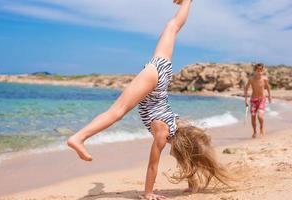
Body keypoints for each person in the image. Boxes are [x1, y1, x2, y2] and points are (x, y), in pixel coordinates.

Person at [67, 0, 230, 199]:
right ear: (178, 147)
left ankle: (187, 1)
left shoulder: (175, 125)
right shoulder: (162, 133)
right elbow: (153, 165)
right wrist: (149, 192)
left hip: (162, 72)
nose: (173, 154)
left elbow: (188, 156)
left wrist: (191, 182)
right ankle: (78, 138)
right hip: (154, 82)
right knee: (116, 112)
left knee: (173, 27)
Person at [244, 63, 272, 139]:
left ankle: (261, 128)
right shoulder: (251, 79)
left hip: (262, 99)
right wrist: (246, 100)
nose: (260, 71)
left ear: (262, 70)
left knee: (260, 116)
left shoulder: (264, 79)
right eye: (258, 69)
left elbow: (268, 87)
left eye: (261, 69)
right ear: (255, 70)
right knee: (253, 117)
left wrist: (269, 96)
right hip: (253, 100)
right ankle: (254, 132)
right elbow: (246, 89)